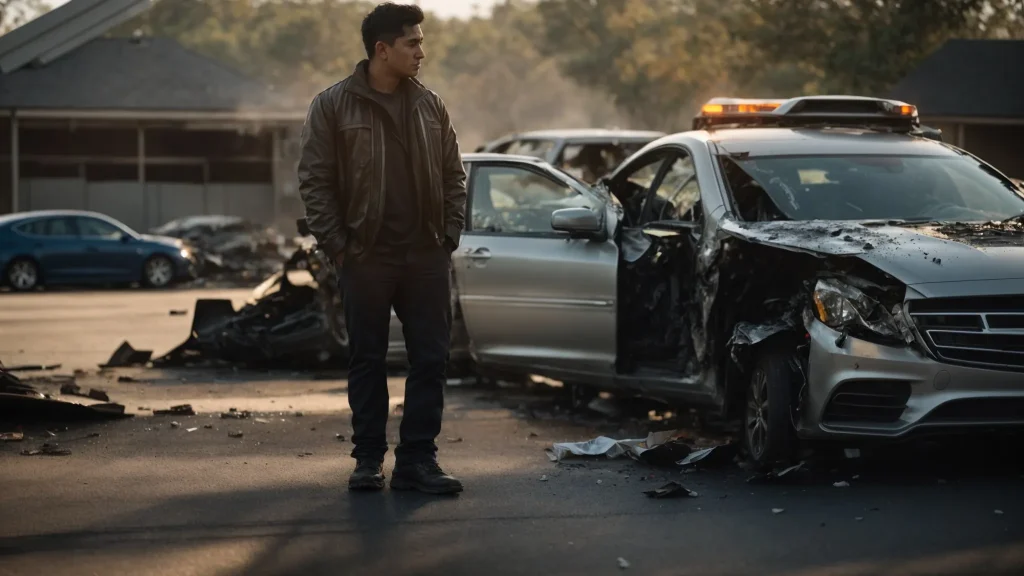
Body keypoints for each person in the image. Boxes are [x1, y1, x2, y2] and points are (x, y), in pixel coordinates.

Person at [297, 2, 467, 495]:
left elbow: (454, 175)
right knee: (368, 359)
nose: (421, 51)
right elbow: (315, 180)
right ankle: (368, 459)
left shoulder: (431, 104)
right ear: (382, 49)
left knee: (431, 359)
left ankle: (418, 461)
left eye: (421, 41)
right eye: (412, 42)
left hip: (425, 255)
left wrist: (447, 237)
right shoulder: (332, 105)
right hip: (366, 255)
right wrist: (339, 246)